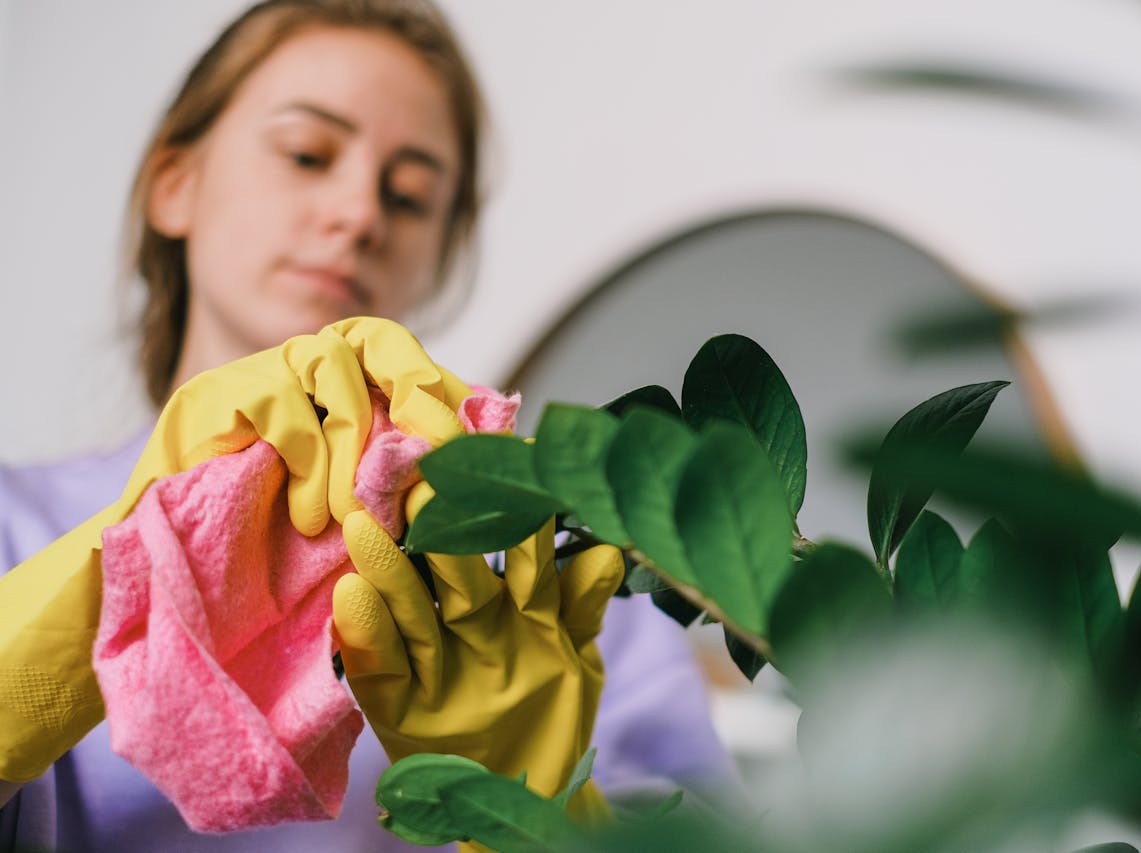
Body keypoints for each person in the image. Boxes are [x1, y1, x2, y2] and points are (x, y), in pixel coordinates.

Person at [0, 2, 738, 850]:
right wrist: (126, 561)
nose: (360, 215)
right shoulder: (12, 524)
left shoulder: (563, 582)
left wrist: (537, 809)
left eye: (412, 195)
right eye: (307, 154)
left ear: (436, 257)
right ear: (176, 182)